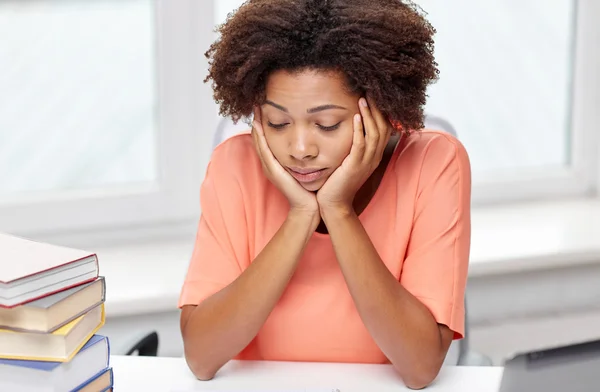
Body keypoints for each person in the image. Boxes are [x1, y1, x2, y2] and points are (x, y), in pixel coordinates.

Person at [179, 0, 471, 389]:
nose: (300, 148)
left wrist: (338, 209)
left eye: (327, 124)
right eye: (278, 122)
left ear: (380, 109)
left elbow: (419, 368)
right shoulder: (235, 165)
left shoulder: (433, 163)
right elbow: (201, 357)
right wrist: (300, 215)